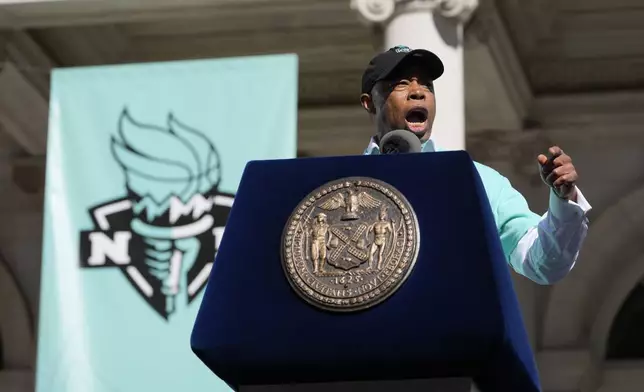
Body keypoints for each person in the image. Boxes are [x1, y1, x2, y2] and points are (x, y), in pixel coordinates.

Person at [359, 45, 591, 285]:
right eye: (401, 83)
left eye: (427, 84)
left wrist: (564, 201)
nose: (418, 92)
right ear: (369, 103)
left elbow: (541, 263)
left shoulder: (478, 180)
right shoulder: (342, 184)